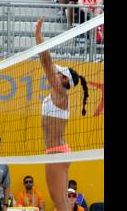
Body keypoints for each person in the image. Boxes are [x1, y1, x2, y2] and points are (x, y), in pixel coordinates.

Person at [35, 16, 89, 211]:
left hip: (56, 153)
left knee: (59, 202)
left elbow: (46, 62)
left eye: (60, 73)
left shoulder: (60, 92)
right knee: (62, 201)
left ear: (65, 80)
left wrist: (38, 35)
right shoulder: (59, 94)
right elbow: (50, 65)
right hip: (58, 152)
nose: (55, 73)